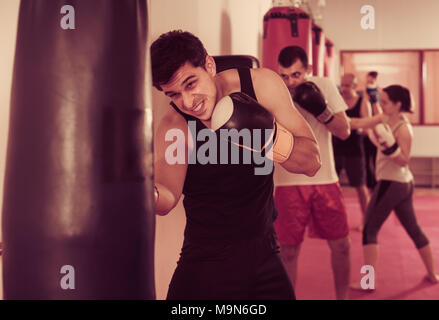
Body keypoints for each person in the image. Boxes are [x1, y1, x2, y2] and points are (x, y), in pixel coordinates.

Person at [150, 30, 321, 300]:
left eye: (191, 84)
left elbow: (311, 161)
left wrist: (267, 138)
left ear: (209, 65)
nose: (187, 102)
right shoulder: (176, 126)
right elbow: (167, 196)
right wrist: (140, 190)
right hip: (206, 259)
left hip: (265, 250)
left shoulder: (261, 86)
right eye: (173, 94)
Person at [273, 45, 352, 300]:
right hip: (286, 181)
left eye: (296, 75)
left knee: (341, 246)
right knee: (288, 252)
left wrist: (321, 111)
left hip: (325, 178)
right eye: (284, 75)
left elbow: (344, 131)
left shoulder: (324, 85)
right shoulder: (272, 89)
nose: (290, 82)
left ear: (308, 69)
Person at [350, 85, 439, 289]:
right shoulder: (383, 119)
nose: (381, 104)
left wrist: (390, 146)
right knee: (413, 228)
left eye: (386, 101)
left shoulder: (404, 128)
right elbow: (357, 123)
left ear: (398, 104)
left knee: (369, 230)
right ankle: (432, 274)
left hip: (393, 183)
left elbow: (404, 160)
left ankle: (368, 282)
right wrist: (330, 119)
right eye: (381, 100)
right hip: (402, 183)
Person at [333, 73, 372, 231]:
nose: (344, 89)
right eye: (342, 85)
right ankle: (335, 220)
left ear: (355, 86)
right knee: (333, 187)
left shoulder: (363, 102)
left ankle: (367, 221)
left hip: (355, 150)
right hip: (336, 148)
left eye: (347, 86)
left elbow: (368, 125)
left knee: (361, 187)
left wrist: (360, 127)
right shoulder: (336, 100)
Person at [363, 71, 380, 190]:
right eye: (369, 79)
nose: (371, 81)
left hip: (376, 131)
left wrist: (376, 100)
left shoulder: (380, 92)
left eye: (373, 79)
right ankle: (369, 183)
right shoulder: (362, 92)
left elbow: (379, 112)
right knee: (365, 159)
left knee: (375, 159)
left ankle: (376, 182)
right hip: (365, 132)